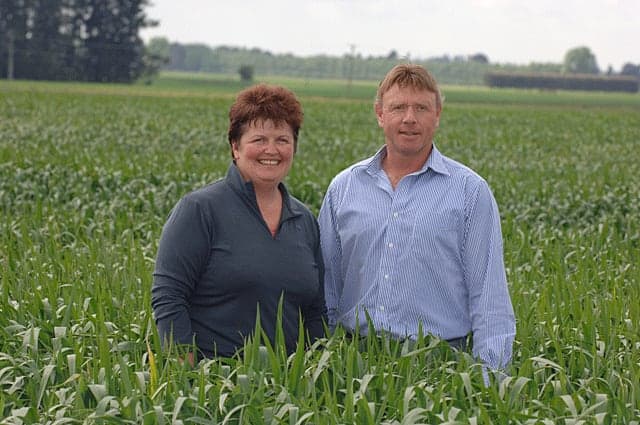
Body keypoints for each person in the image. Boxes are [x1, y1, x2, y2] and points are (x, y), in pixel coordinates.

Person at [318, 64, 515, 373]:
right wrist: (328, 361)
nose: (409, 118)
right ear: (380, 114)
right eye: (398, 107)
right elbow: (327, 286)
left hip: (439, 364)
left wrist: (490, 380)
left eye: (421, 108)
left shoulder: (470, 192)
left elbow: (489, 297)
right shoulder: (344, 188)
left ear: (437, 115)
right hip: (355, 362)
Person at [152, 84, 326, 362]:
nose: (272, 150)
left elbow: (316, 312)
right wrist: (186, 377)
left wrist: (318, 371)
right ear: (236, 147)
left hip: (288, 394)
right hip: (215, 386)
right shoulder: (200, 210)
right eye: (259, 139)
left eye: (282, 139)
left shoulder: (304, 221)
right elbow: (169, 298)